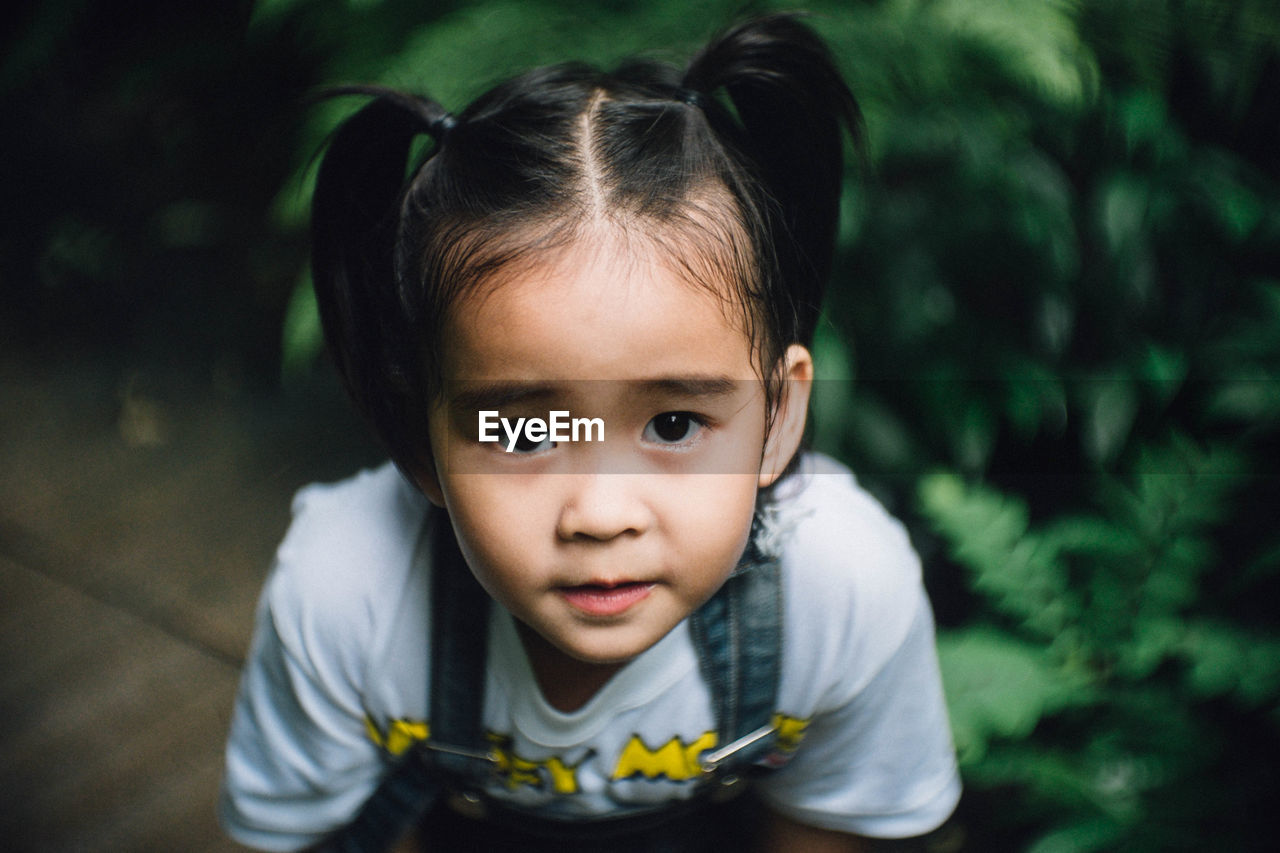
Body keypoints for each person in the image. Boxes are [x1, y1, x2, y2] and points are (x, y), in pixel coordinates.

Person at [220, 13, 961, 852]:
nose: (602, 514)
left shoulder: (842, 591)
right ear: (419, 438)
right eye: (528, 429)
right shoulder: (344, 594)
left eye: (675, 422)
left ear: (779, 416)